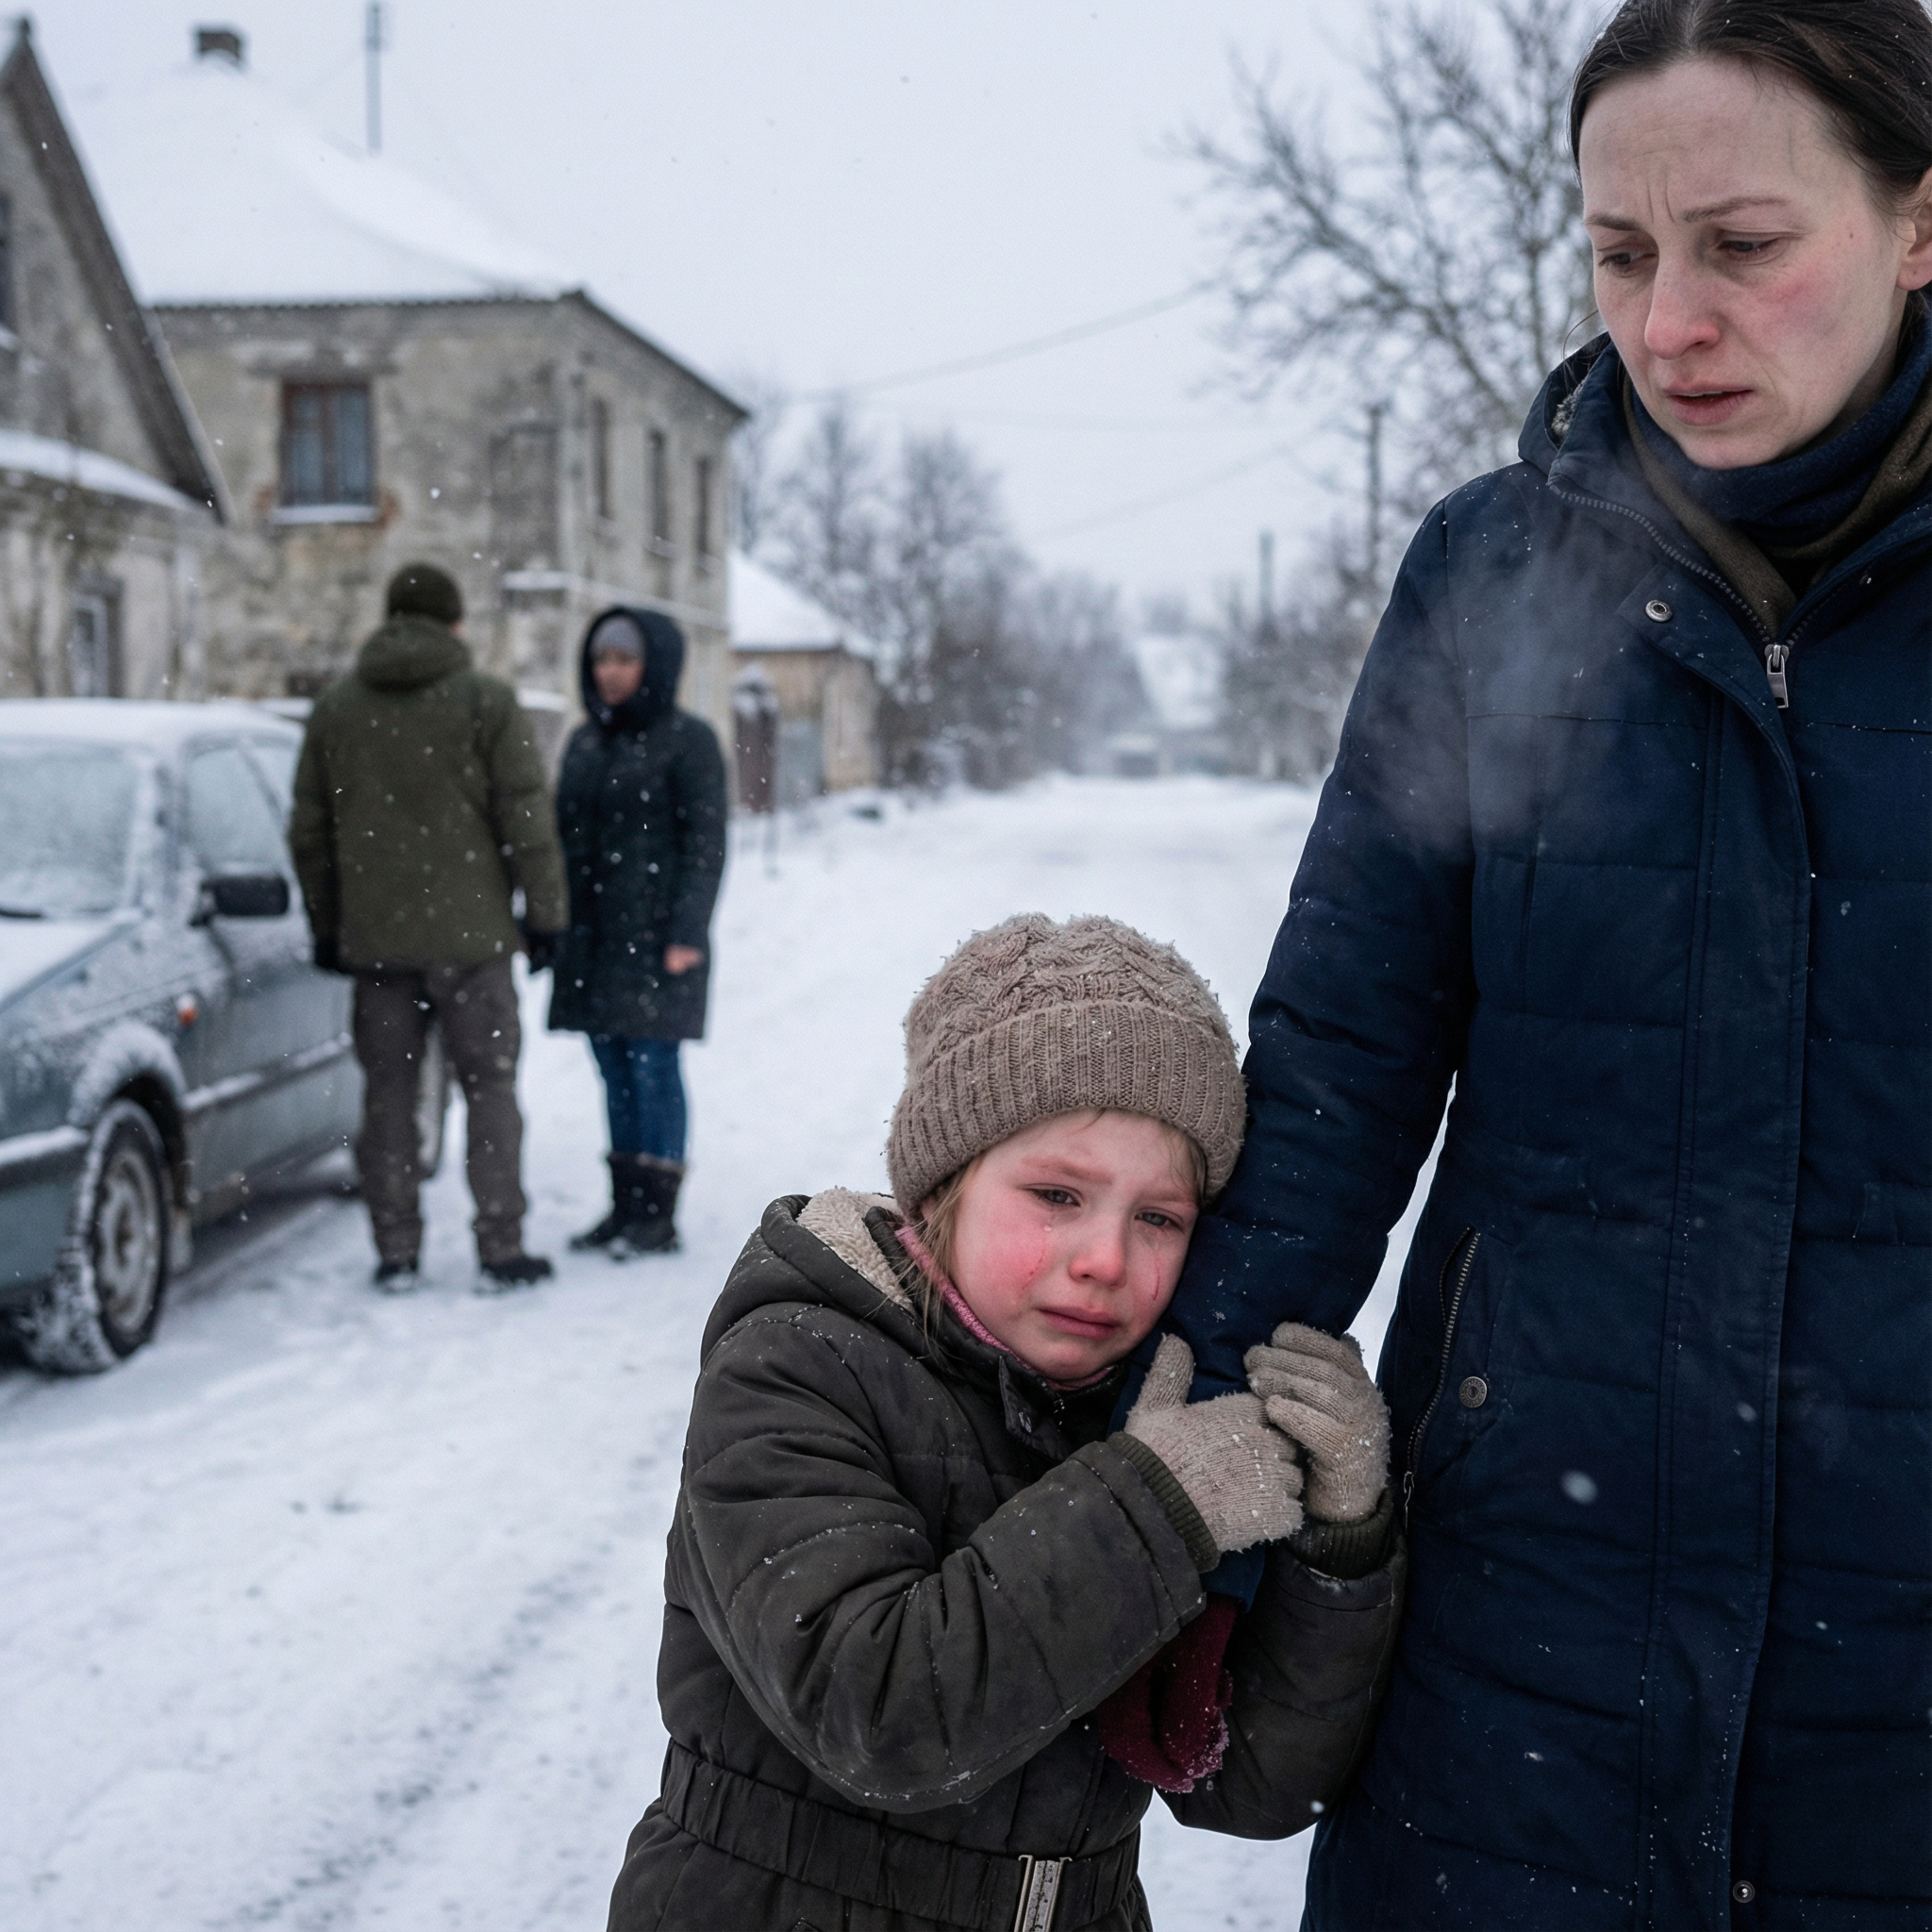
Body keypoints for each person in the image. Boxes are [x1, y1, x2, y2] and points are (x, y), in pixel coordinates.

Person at [1157, 3, 1932, 1923]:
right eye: (1616, 251)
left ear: (1921, 222)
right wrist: (1171, 1538)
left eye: (1744, 245)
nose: (1666, 321)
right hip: (1520, 1635)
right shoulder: (1491, 580)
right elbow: (1334, 1067)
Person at [607, 914, 1405, 1932]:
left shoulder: (1150, 1404)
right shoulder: (799, 1362)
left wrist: (1337, 1538)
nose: (1105, 1258)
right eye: (1056, 1193)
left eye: (1157, 1217)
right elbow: (881, 1714)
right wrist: (1153, 1506)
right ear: (944, 1181)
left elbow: (1248, 1787)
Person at [290, 561, 568, 1293]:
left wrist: (329, 926)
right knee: (491, 1088)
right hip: (474, 946)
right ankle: (501, 1244)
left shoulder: (338, 709)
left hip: (378, 946)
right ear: (453, 623)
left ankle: (396, 1250)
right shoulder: (486, 701)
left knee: (387, 1096)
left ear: (389, 618)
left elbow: (309, 831)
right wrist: (546, 917)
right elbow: (526, 818)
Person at [548, 608, 726, 1257]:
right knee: (612, 1067)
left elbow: (706, 844)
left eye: (624, 660)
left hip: (656, 940)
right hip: (593, 939)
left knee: (653, 1065)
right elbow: (561, 841)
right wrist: (546, 921)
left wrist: (688, 930)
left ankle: (658, 1212)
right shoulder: (584, 743)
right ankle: (623, 1208)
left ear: (653, 665)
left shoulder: (689, 741)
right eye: (602, 660)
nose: (611, 673)